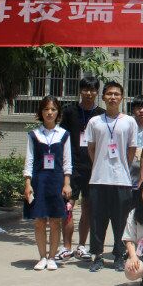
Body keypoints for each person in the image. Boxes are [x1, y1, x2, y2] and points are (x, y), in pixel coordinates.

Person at [85, 81, 139, 272]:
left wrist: (122, 166)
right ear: (103, 97)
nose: (113, 97)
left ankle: (119, 255)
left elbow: (132, 149)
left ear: (122, 97)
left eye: (116, 94)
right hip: (98, 179)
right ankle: (97, 256)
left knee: (121, 221)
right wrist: (100, 165)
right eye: (109, 94)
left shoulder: (129, 121)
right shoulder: (95, 122)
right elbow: (91, 148)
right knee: (97, 220)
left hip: (122, 180)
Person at [23, 96, 72, 271]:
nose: (49, 113)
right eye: (46, 109)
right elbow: (29, 160)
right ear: (41, 112)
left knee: (55, 221)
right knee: (39, 221)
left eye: (53, 109)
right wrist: (27, 183)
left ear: (58, 112)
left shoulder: (64, 134)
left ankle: (52, 257)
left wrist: (67, 183)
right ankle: (42, 257)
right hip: (39, 181)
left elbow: (67, 162)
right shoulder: (34, 134)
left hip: (57, 181)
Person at [60, 76, 104, 261]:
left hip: (93, 167)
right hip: (72, 166)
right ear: (80, 91)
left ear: (97, 92)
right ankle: (66, 247)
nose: (89, 93)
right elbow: (62, 138)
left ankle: (81, 246)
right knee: (68, 205)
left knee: (88, 207)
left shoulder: (101, 114)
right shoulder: (69, 112)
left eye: (93, 90)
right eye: (85, 89)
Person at [128, 95, 143, 210]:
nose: (142, 111)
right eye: (138, 108)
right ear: (133, 109)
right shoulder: (127, 126)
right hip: (129, 175)